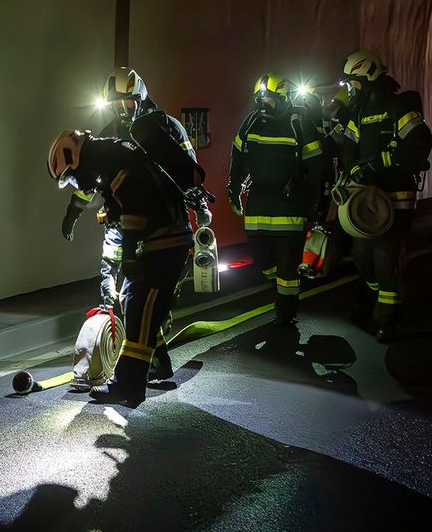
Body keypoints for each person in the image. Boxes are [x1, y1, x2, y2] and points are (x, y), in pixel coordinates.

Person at [48, 129, 197, 405]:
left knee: (142, 309)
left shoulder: (112, 160)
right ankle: (157, 365)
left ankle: (128, 386)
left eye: (69, 176)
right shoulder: (108, 158)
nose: (75, 183)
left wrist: (128, 256)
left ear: (74, 157)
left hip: (166, 241)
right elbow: (121, 214)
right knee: (134, 304)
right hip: (159, 241)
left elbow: (134, 210)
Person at [59, 68, 210, 310]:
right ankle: (116, 316)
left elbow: (187, 168)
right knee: (112, 266)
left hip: (165, 216)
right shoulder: (109, 133)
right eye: (116, 104)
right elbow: (90, 178)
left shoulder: (166, 126)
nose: (122, 109)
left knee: (164, 275)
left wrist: (199, 205)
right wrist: (73, 212)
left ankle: (159, 311)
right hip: (122, 217)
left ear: (140, 98)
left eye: (127, 102)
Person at [331, 50, 432, 342]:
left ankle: (386, 319)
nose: (350, 89)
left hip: (397, 195)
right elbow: (347, 147)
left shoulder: (398, 106)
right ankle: (381, 303)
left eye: (353, 83)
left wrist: (382, 163)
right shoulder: (359, 113)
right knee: (362, 254)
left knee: (385, 253)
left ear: (368, 77)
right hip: (369, 197)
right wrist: (354, 168)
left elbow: (421, 140)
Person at [227, 74, 325, 327]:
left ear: (283, 99)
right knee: (262, 260)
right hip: (259, 203)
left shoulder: (300, 124)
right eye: (259, 99)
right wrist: (234, 189)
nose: (263, 104)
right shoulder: (251, 123)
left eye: (268, 99)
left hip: (289, 205)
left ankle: (286, 313)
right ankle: (283, 288)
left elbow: (317, 169)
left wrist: (316, 205)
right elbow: (238, 158)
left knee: (286, 263)